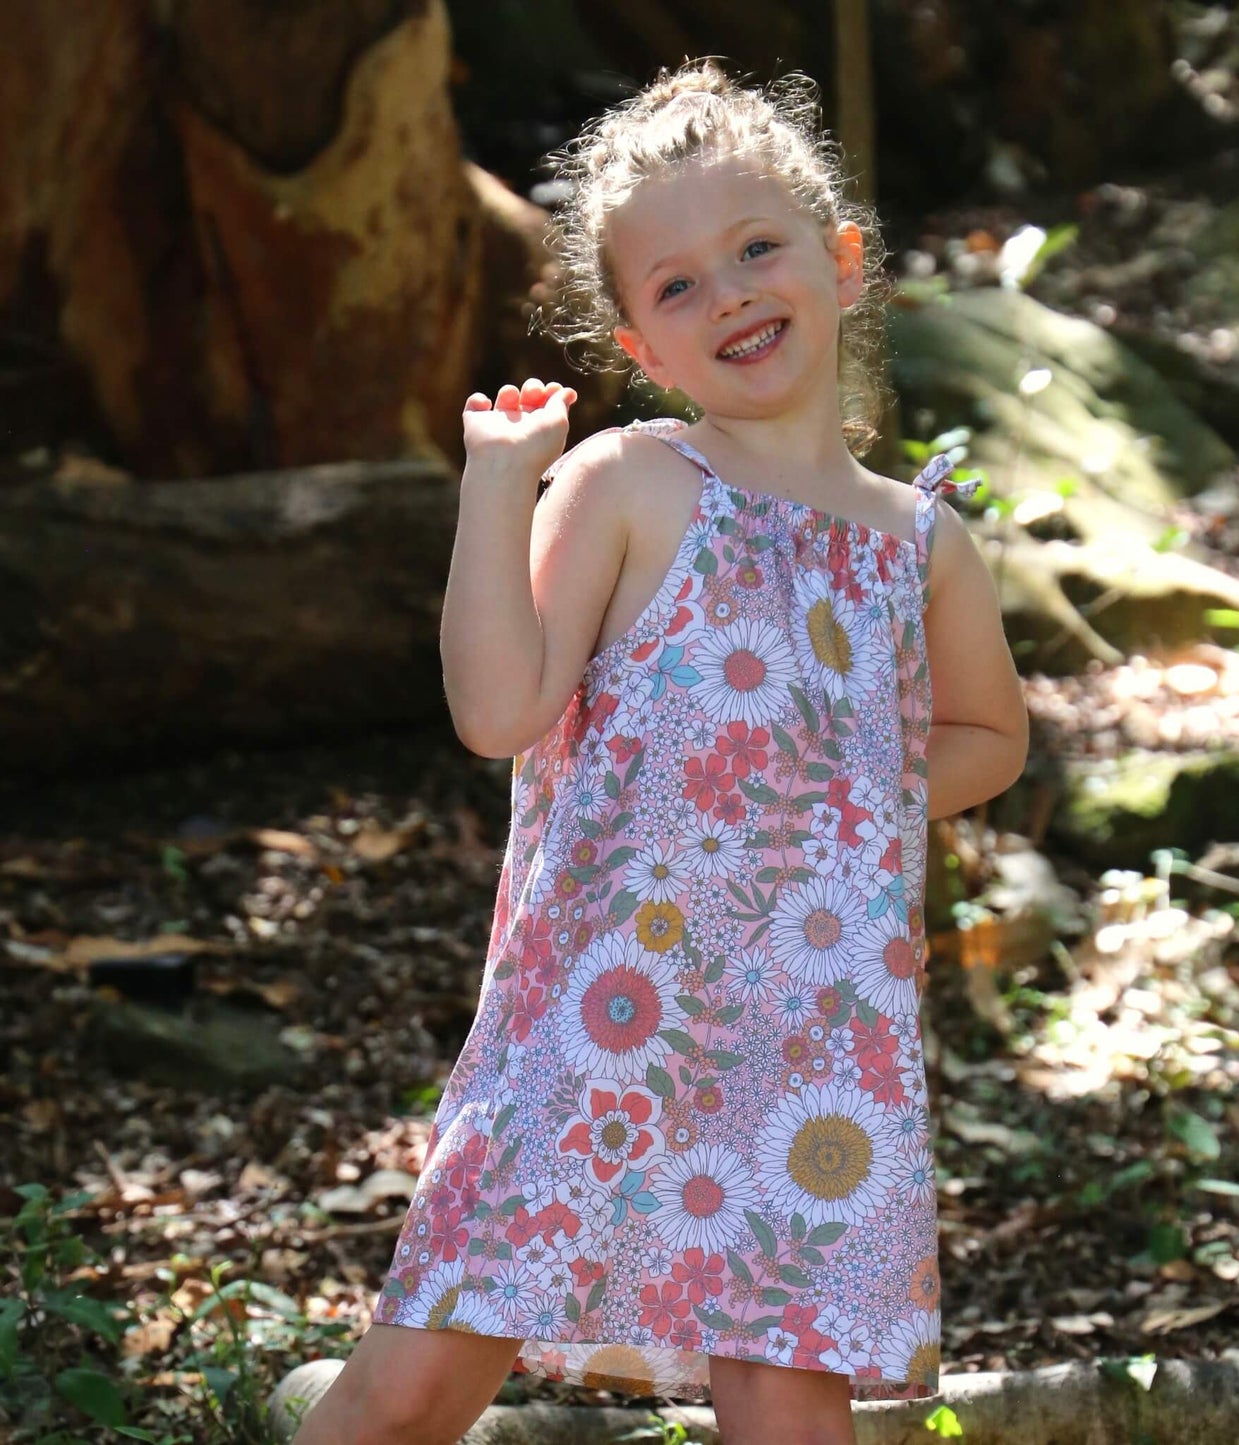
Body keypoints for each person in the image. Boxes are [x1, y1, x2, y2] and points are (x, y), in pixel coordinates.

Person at [291, 57, 1028, 1445]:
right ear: (635, 344)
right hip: (593, 1016)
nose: (730, 292)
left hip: (810, 1045)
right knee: (414, 1387)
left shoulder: (918, 540)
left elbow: (990, 732)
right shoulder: (633, 482)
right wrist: (498, 485)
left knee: (787, 1405)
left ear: (843, 260)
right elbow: (498, 711)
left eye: (757, 247)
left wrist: (853, 800)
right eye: (676, 284)